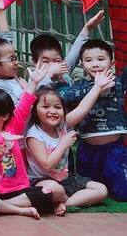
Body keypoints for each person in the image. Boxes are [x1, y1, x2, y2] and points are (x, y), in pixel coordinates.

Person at [0, 67, 58, 218]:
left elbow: (24, 104)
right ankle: (21, 210)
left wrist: (34, 82)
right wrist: (1, 137)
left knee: (46, 193)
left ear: (4, 116)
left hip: (19, 187)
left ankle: (4, 206)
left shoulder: (13, 126)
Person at [26, 81, 112, 214]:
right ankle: (61, 199)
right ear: (35, 111)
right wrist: (63, 144)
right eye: (45, 107)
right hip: (41, 181)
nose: (52, 111)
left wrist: (98, 87)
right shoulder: (34, 135)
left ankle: (64, 203)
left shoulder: (62, 126)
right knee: (54, 189)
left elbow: (82, 109)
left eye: (57, 107)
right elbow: (47, 165)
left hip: (65, 179)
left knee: (101, 190)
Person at [58, 39, 127, 201]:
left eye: (101, 59)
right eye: (89, 60)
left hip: (114, 149)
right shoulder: (80, 86)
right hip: (88, 148)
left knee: (123, 194)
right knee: (87, 188)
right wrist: (96, 88)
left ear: (111, 63)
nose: (95, 64)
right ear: (82, 64)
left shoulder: (118, 82)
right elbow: (65, 97)